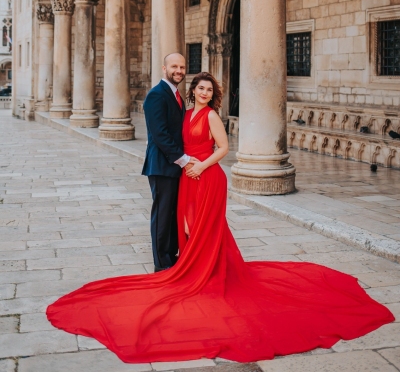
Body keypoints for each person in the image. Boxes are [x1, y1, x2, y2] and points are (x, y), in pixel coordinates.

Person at [47, 72, 394, 364]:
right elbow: (172, 140)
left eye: (209, 90)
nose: (204, 92)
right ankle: (198, 265)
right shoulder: (185, 115)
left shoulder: (212, 116)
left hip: (208, 177)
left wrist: (202, 165)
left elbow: (224, 149)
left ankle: (208, 271)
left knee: (207, 227)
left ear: (214, 95)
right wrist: (188, 166)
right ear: (192, 90)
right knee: (189, 226)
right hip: (188, 178)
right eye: (200, 88)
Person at [142, 52, 198, 272]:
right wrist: (184, 160)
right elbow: (160, 134)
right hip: (162, 166)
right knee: (163, 214)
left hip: (173, 166)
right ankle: (161, 263)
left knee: (174, 212)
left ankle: (171, 255)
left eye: (182, 67)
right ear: (164, 69)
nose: (179, 71)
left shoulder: (175, 94)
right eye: (174, 66)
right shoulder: (157, 95)